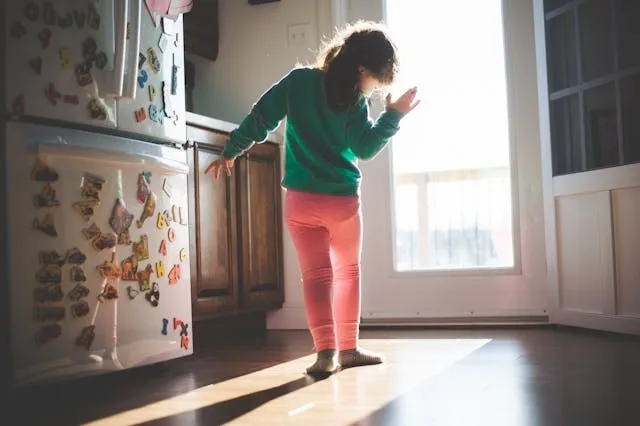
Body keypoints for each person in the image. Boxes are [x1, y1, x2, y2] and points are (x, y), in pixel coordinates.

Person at [205, 21, 420, 375]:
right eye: (375, 82)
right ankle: (348, 349)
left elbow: (261, 118)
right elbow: (365, 148)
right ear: (361, 69)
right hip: (342, 204)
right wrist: (393, 116)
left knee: (316, 277)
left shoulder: (298, 82)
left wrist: (232, 150)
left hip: (301, 203)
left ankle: (325, 354)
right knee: (347, 273)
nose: (373, 89)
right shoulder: (354, 101)